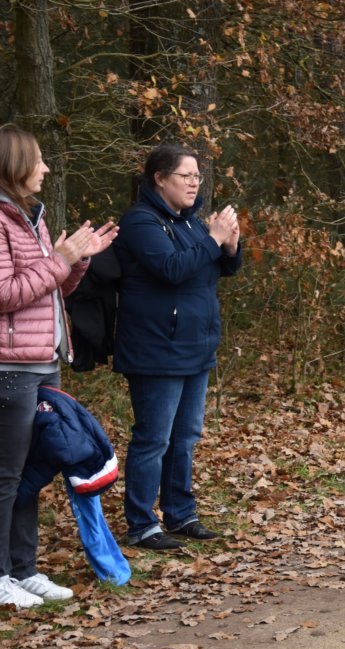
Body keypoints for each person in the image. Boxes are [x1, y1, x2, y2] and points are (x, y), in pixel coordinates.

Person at [0, 123, 118, 607]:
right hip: (10, 367)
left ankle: (23, 570)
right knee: (6, 475)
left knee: (31, 473)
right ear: (14, 163)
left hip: (44, 362)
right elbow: (6, 294)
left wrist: (77, 261)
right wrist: (59, 260)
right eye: (39, 160)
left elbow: (51, 290)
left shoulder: (32, 215)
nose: (46, 168)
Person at [115, 143, 243, 551]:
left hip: (195, 347)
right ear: (159, 178)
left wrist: (229, 246)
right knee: (153, 439)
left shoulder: (189, 224)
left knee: (185, 437)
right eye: (185, 176)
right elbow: (172, 269)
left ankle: (180, 513)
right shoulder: (141, 222)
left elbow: (216, 268)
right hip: (156, 349)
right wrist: (213, 238)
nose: (194, 183)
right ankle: (141, 524)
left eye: (197, 176)